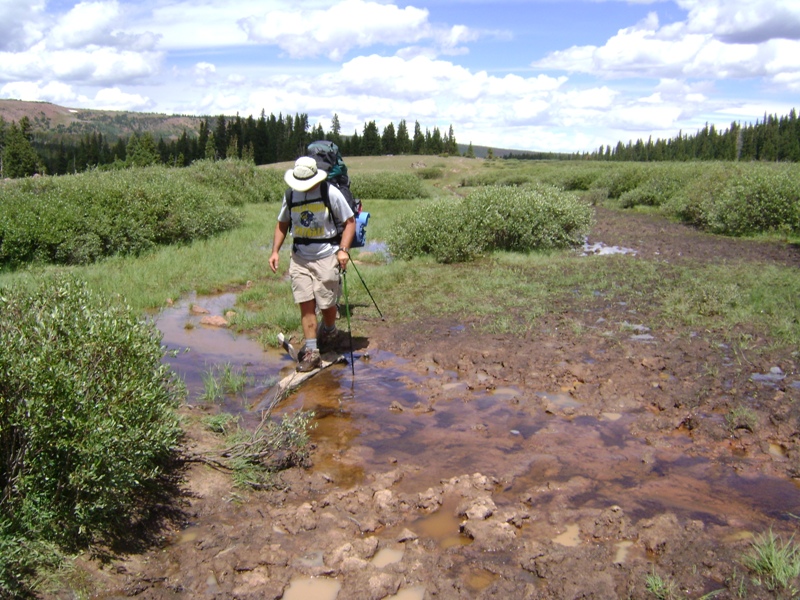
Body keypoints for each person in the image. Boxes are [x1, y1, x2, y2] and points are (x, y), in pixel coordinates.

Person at [269, 156, 356, 372]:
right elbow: (282, 223)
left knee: (327, 304)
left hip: (326, 255)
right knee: (305, 303)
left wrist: (343, 250)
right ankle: (312, 352)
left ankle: (329, 330)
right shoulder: (291, 195)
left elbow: (350, 222)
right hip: (299, 257)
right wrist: (275, 251)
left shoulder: (330, 192)